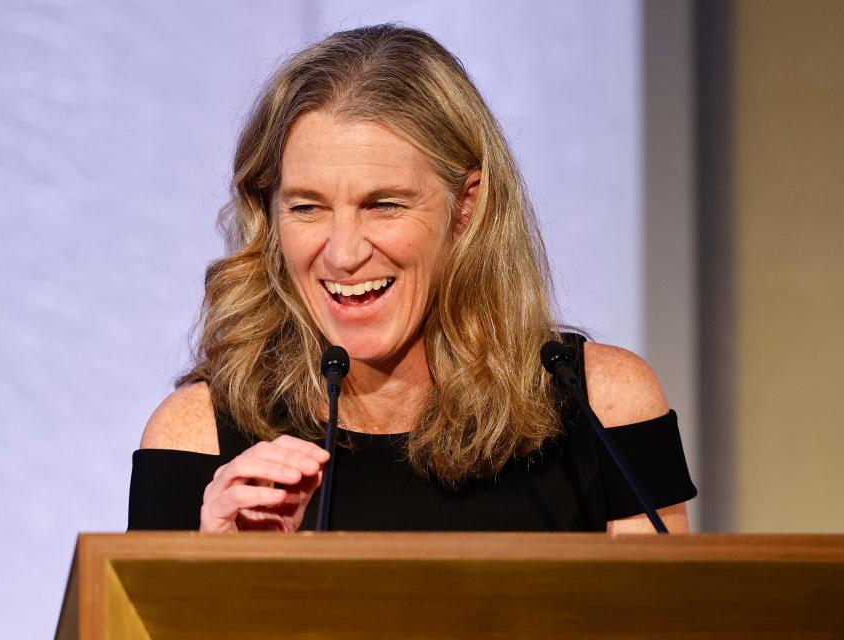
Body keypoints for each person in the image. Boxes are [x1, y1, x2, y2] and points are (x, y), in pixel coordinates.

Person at [128, 24, 696, 534]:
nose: (344, 253)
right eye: (307, 208)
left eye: (383, 205)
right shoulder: (199, 436)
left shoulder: (603, 406)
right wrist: (215, 581)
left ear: (465, 206)